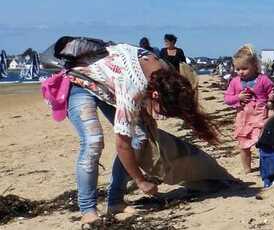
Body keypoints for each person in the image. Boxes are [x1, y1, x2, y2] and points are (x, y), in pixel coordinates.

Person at [52, 41, 222, 226]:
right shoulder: (133, 91)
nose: (160, 116)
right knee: (93, 141)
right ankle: (88, 209)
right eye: (161, 111)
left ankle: (115, 202)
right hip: (80, 82)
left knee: (139, 136)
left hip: (109, 86)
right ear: (155, 95)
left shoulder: (163, 70)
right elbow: (122, 144)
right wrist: (140, 181)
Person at [224, 45, 274, 174]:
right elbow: (227, 99)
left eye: (244, 68)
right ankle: (247, 169)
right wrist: (238, 97)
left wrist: (273, 96)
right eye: (237, 69)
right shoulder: (235, 82)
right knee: (243, 146)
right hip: (243, 118)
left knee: (264, 143)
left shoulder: (263, 79)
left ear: (254, 66)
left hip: (261, 115)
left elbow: (273, 92)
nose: (240, 72)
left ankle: (265, 166)